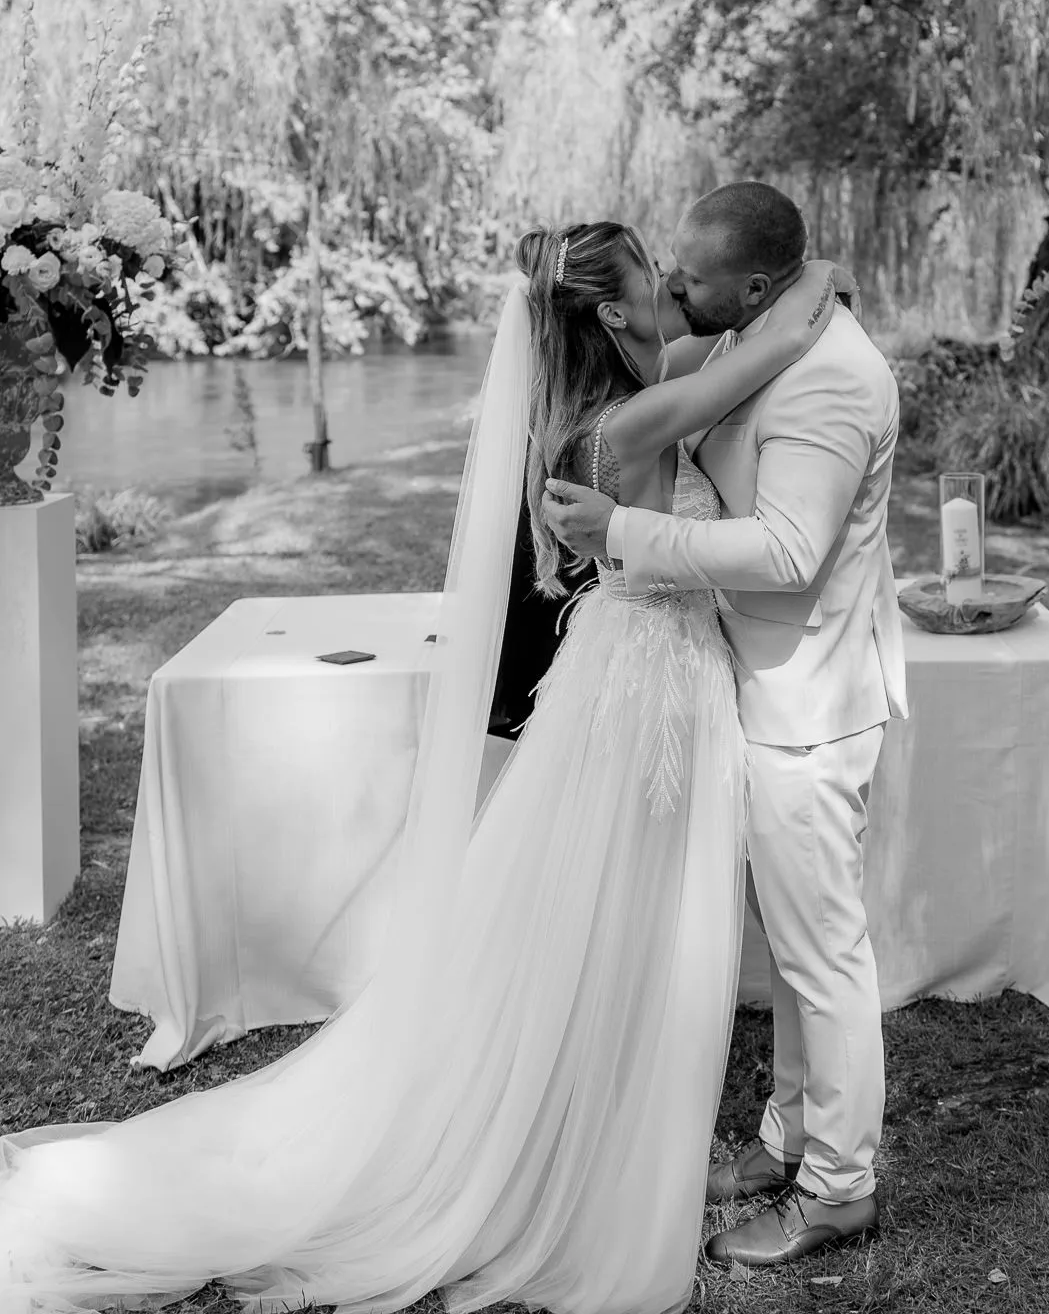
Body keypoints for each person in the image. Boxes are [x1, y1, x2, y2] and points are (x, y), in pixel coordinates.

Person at [0, 220, 839, 1314]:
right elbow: (766, 353)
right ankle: (565, 1122)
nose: (672, 293)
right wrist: (806, 283)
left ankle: (587, 1097)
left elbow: (710, 358)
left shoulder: (612, 397)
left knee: (609, 911)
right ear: (610, 313)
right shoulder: (627, 421)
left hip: (638, 678)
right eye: (649, 278)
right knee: (615, 905)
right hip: (641, 689)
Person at [544, 181, 907, 1269]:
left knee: (824, 960)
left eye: (688, 277)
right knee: (796, 958)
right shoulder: (755, 332)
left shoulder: (834, 382)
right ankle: (788, 1137)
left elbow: (790, 550)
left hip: (809, 704)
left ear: (751, 284)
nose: (671, 288)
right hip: (758, 683)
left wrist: (628, 531)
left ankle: (839, 1188)